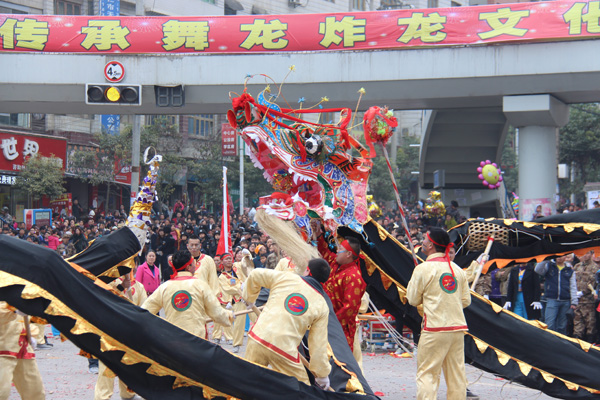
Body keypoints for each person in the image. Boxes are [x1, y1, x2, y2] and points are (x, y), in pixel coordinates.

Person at [241, 258, 332, 388]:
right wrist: (322, 374)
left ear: (307, 270)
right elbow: (318, 345)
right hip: (284, 350)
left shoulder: (287, 277)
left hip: (258, 337)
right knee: (301, 390)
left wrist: (249, 298)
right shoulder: (322, 305)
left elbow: (255, 274)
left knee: (246, 383)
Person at [406, 227, 471, 400]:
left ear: (431, 246)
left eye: (425, 239)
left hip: (434, 328)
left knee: (427, 375)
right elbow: (466, 301)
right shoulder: (457, 270)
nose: (423, 242)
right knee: (457, 376)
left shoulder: (423, 269)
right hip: (457, 329)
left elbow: (412, 299)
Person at [141, 250, 233, 339]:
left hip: (173, 339)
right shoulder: (201, 285)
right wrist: (229, 316)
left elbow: (144, 311)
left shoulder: (164, 287)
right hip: (196, 340)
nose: (195, 266)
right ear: (189, 267)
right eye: (193, 263)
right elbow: (217, 313)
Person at [314, 221, 366, 351]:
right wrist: (318, 234)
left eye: (341, 249)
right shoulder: (335, 264)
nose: (337, 251)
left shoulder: (353, 276)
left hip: (339, 330)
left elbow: (348, 309)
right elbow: (324, 250)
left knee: (339, 364)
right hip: (325, 324)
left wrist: (330, 323)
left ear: (349, 254)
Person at [94, 273, 145, 400]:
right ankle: (102, 396)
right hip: (110, 329)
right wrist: (121, 287)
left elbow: (145, 308)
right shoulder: (108, 282)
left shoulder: (138, 286)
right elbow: (104, 298)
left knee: (128, 363)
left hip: (130, 332)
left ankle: (128, 393)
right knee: (107, 365)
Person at [0, 302, 45, 400]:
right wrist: (12, 309)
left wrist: (32, 334)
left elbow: (22, 319)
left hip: (23, 348)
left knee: (35, 392)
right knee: (1, 392)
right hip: (3, 348)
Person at [535, 255, 578, 334]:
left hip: (566, 300)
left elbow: (573, 286)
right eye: (557, 256)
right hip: (552, 299)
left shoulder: (569, 269)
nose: (559, 257)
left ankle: (560, 344)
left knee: (562, 326)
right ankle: (548, 343)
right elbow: (538, 270)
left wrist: (574, 302)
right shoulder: (549, 266)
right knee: (549, 324)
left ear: (565, 257)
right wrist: (546, 258)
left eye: (562, 256)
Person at [213, 254, 239, 344]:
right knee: (217, 318)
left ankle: (229, 337)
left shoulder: (235, 272)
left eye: (230, 259)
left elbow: (234, 287)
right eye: (226, 259)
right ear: (222, 261)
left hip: (230, 299)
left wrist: (230, 300)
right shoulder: (217, 273)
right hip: (218, 298)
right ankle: (217, 336)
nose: (229, 261)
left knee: (228, 318)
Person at [573, 250, 597, 341]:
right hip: (578, 300)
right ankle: (577, 340)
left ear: (591, 254)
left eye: (587, 253)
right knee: (577, 322)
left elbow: (594, 282)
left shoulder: (595, 267)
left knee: (590, 323)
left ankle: (590, 342)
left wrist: (583, 292)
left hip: (588, 301)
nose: (585, 256)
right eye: (583, 254)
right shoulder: (577, 266)